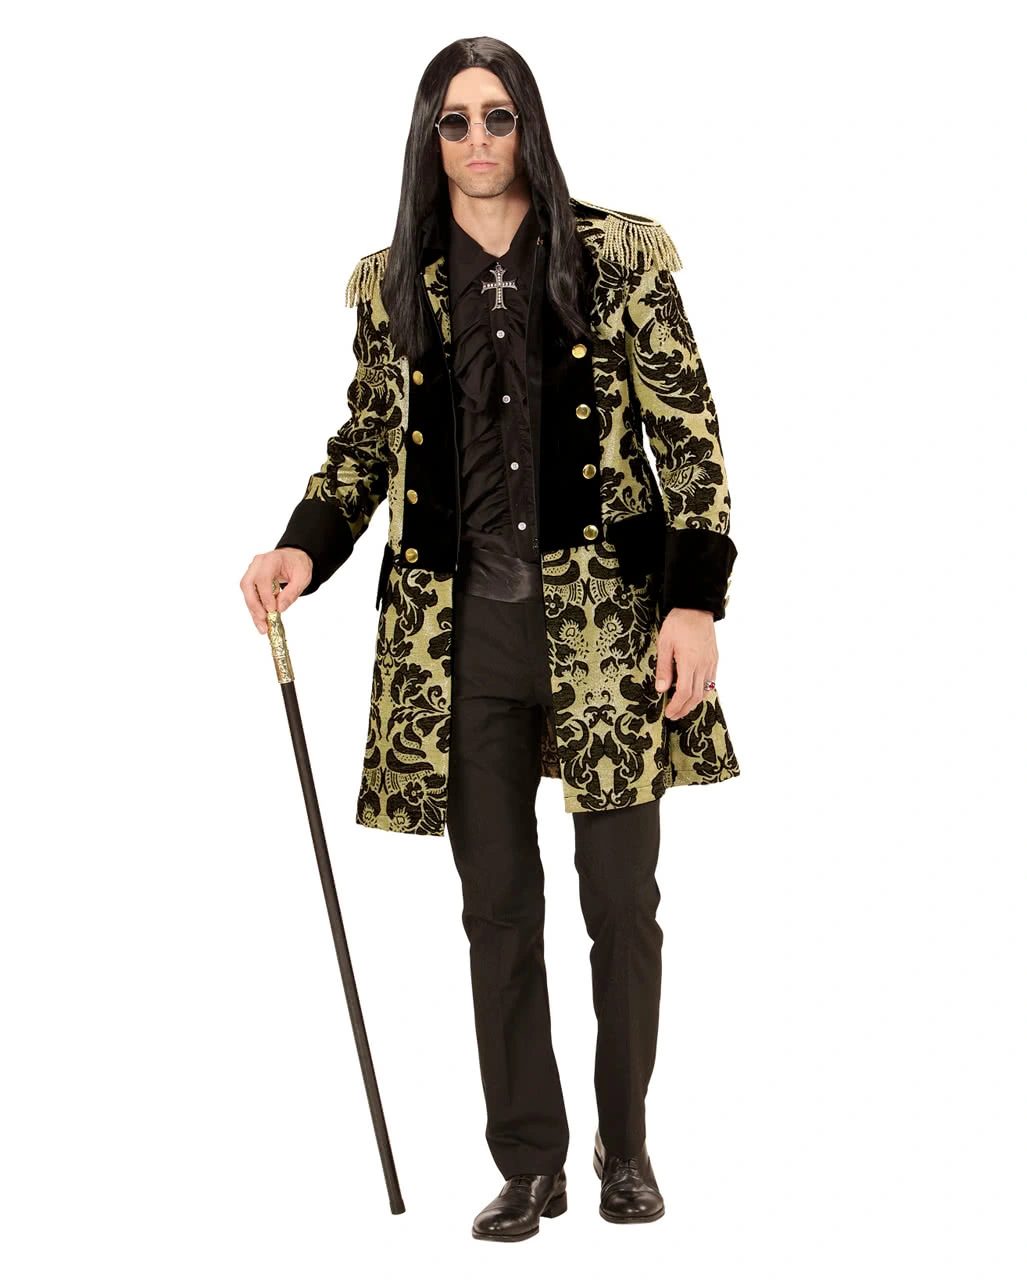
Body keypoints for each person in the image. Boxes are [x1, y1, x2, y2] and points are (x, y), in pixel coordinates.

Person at [241, 36, 740, 1242]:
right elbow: (368, 441)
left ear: (529, 126)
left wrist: (692, 603)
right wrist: (301, 545)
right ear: (430, 136)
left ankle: (626, 1144)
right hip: (457, 642)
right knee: (498, 909)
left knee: (620, 901)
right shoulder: (395, 280)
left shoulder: (617, 255)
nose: (477, 140)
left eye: (497, 116)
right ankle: (530, 1160)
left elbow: (688, 435)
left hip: (609, 630)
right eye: (454, 120)